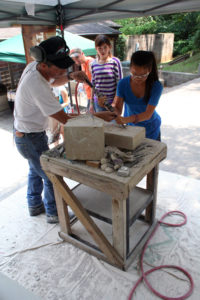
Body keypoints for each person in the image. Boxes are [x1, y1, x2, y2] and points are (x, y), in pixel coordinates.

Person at [13, 36, 116, 224]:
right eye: (59, 67)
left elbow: (51, 81)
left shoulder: (34, 68)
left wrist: (69, 77)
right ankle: (54, 213)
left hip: (28, 134)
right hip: (28, 138)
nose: (64, 70)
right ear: (44, 64)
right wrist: (98, 116)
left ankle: (35, 204)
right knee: (52, 175)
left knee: (35, 169)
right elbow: (67, 120)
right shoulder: (36, 85)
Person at [113, 50, 163, 141]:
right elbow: (118, 110)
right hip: (132, 129)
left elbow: (148, 114)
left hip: (151, 129)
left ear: (150, 70)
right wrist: (107, 106)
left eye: (143, 75)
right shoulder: (122, 84)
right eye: (134, 74)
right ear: (130, 68)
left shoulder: (156, 86)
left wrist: (125, 120)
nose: (138, 79)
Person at [91, 34, 123, 113]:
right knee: (100, 124)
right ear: (96, 48)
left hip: (111, 103)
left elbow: (120, 83)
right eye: (100, 48)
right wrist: (91, 103)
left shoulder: (115, 62)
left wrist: (115, 103)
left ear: (109, 47)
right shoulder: (93, 64)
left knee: (113, 124)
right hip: (98, 102)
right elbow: (93, 84)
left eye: (105, 47)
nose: (103, 51)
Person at [70, 48, 94, 112]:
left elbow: (94, 84)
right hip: (89, 96)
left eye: (77, 57)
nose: (76, 60)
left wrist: (92, 103)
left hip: (94, 97)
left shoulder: (91, 62)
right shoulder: (82, 64)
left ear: (82, 54)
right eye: (73, 58)